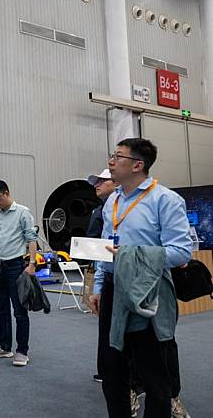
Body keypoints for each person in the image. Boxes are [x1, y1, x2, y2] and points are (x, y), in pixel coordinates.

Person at [88, 138, 192, 418]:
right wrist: (98, 287)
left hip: (148, 292)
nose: (110, 162)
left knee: (153, 372)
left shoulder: (166, 200)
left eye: (117, 156)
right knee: (113, 369)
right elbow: (107, 248)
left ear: (137, 165)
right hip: (113, 290)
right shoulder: (112, 199)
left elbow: (182, 252)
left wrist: (132, 255)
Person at [0, 180, 38, 367]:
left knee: (20, 311)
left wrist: (32, 264)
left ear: (6, 193)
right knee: (2, 310)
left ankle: (22, 351)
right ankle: (5, 347)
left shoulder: (23, 212)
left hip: (15, 266)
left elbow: (32, 239)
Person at [86, 169, 116, 384]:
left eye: (102, 181)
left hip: (130, 277)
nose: (97, 184)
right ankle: (105, 370)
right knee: (105, 326)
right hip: (104, 272)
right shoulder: (98, 211)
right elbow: (94, 243)